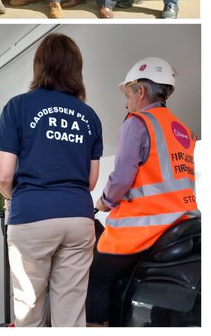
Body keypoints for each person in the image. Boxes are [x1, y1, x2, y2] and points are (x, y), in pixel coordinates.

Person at [0, 33, 102, 327]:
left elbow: (4, 175)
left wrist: (13, 198)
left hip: (31, 215)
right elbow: (92, 181)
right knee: (71, 309)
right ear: (76, 69)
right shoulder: (89, 116)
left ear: (39, 66)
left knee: (29, 307)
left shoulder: (17, 107)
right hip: (79, 218)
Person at [86, 57, 197, 325]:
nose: (127, 102)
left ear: (141, 91)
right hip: (183, 223)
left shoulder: (138, 122)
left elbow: (123, 176)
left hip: (145, 226)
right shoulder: (184, 131)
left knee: (96, 276)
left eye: (128, 94)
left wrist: (104, 200)